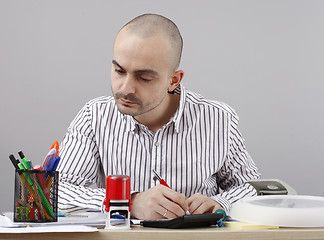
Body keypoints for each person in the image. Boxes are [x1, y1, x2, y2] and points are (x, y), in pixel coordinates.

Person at [57, 13, 261, 220]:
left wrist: (221, 203)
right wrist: (128, 202)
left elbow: (254, 190)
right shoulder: (94, 116)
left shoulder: (218, 119)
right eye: (119, 71)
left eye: (144, 78)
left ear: (174, 80)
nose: (125, 88)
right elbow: (56, 192)